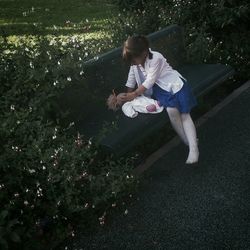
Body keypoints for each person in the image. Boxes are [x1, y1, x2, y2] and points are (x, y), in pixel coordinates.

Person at [121, 35, 199, 164]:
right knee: (172, 112)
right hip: (162, 91)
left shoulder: (156, 57)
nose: (132, 63)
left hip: (175, 85)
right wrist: (126, 97)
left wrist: (133, 94)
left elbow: (149, 82)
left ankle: (194, 148)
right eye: (131, 61)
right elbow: (130, 81)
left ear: (144, 52)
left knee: (185, 114)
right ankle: (188, 141)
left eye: (134, 59)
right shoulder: (135, 63)